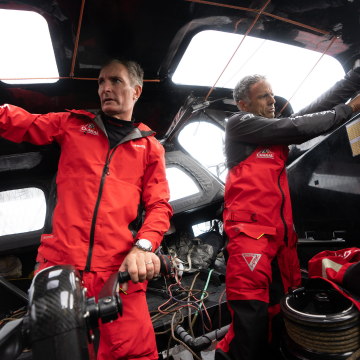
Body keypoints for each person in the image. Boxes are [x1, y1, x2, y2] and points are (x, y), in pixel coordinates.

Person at [0, 59, 173, 359]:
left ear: (136, 91)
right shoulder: (73, 124)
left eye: (115, 81)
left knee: (138, 352)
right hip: (61, 267)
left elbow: (159, 205)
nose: (105, 88)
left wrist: (144, 248)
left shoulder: (150, 148)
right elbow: (21, 122)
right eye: (101, 81)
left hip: (116, 272)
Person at [215, 69, 360, 360]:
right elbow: (299, 125)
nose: (272, 100)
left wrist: (354, 78)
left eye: (272, 93)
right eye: (263, 95)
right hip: (250, 241)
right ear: (244, 104)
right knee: (251, 322)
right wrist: (352, 107)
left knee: (284, 309)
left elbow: (313, 111)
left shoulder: (276, 139)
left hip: (282, 241)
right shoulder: (238, 124)